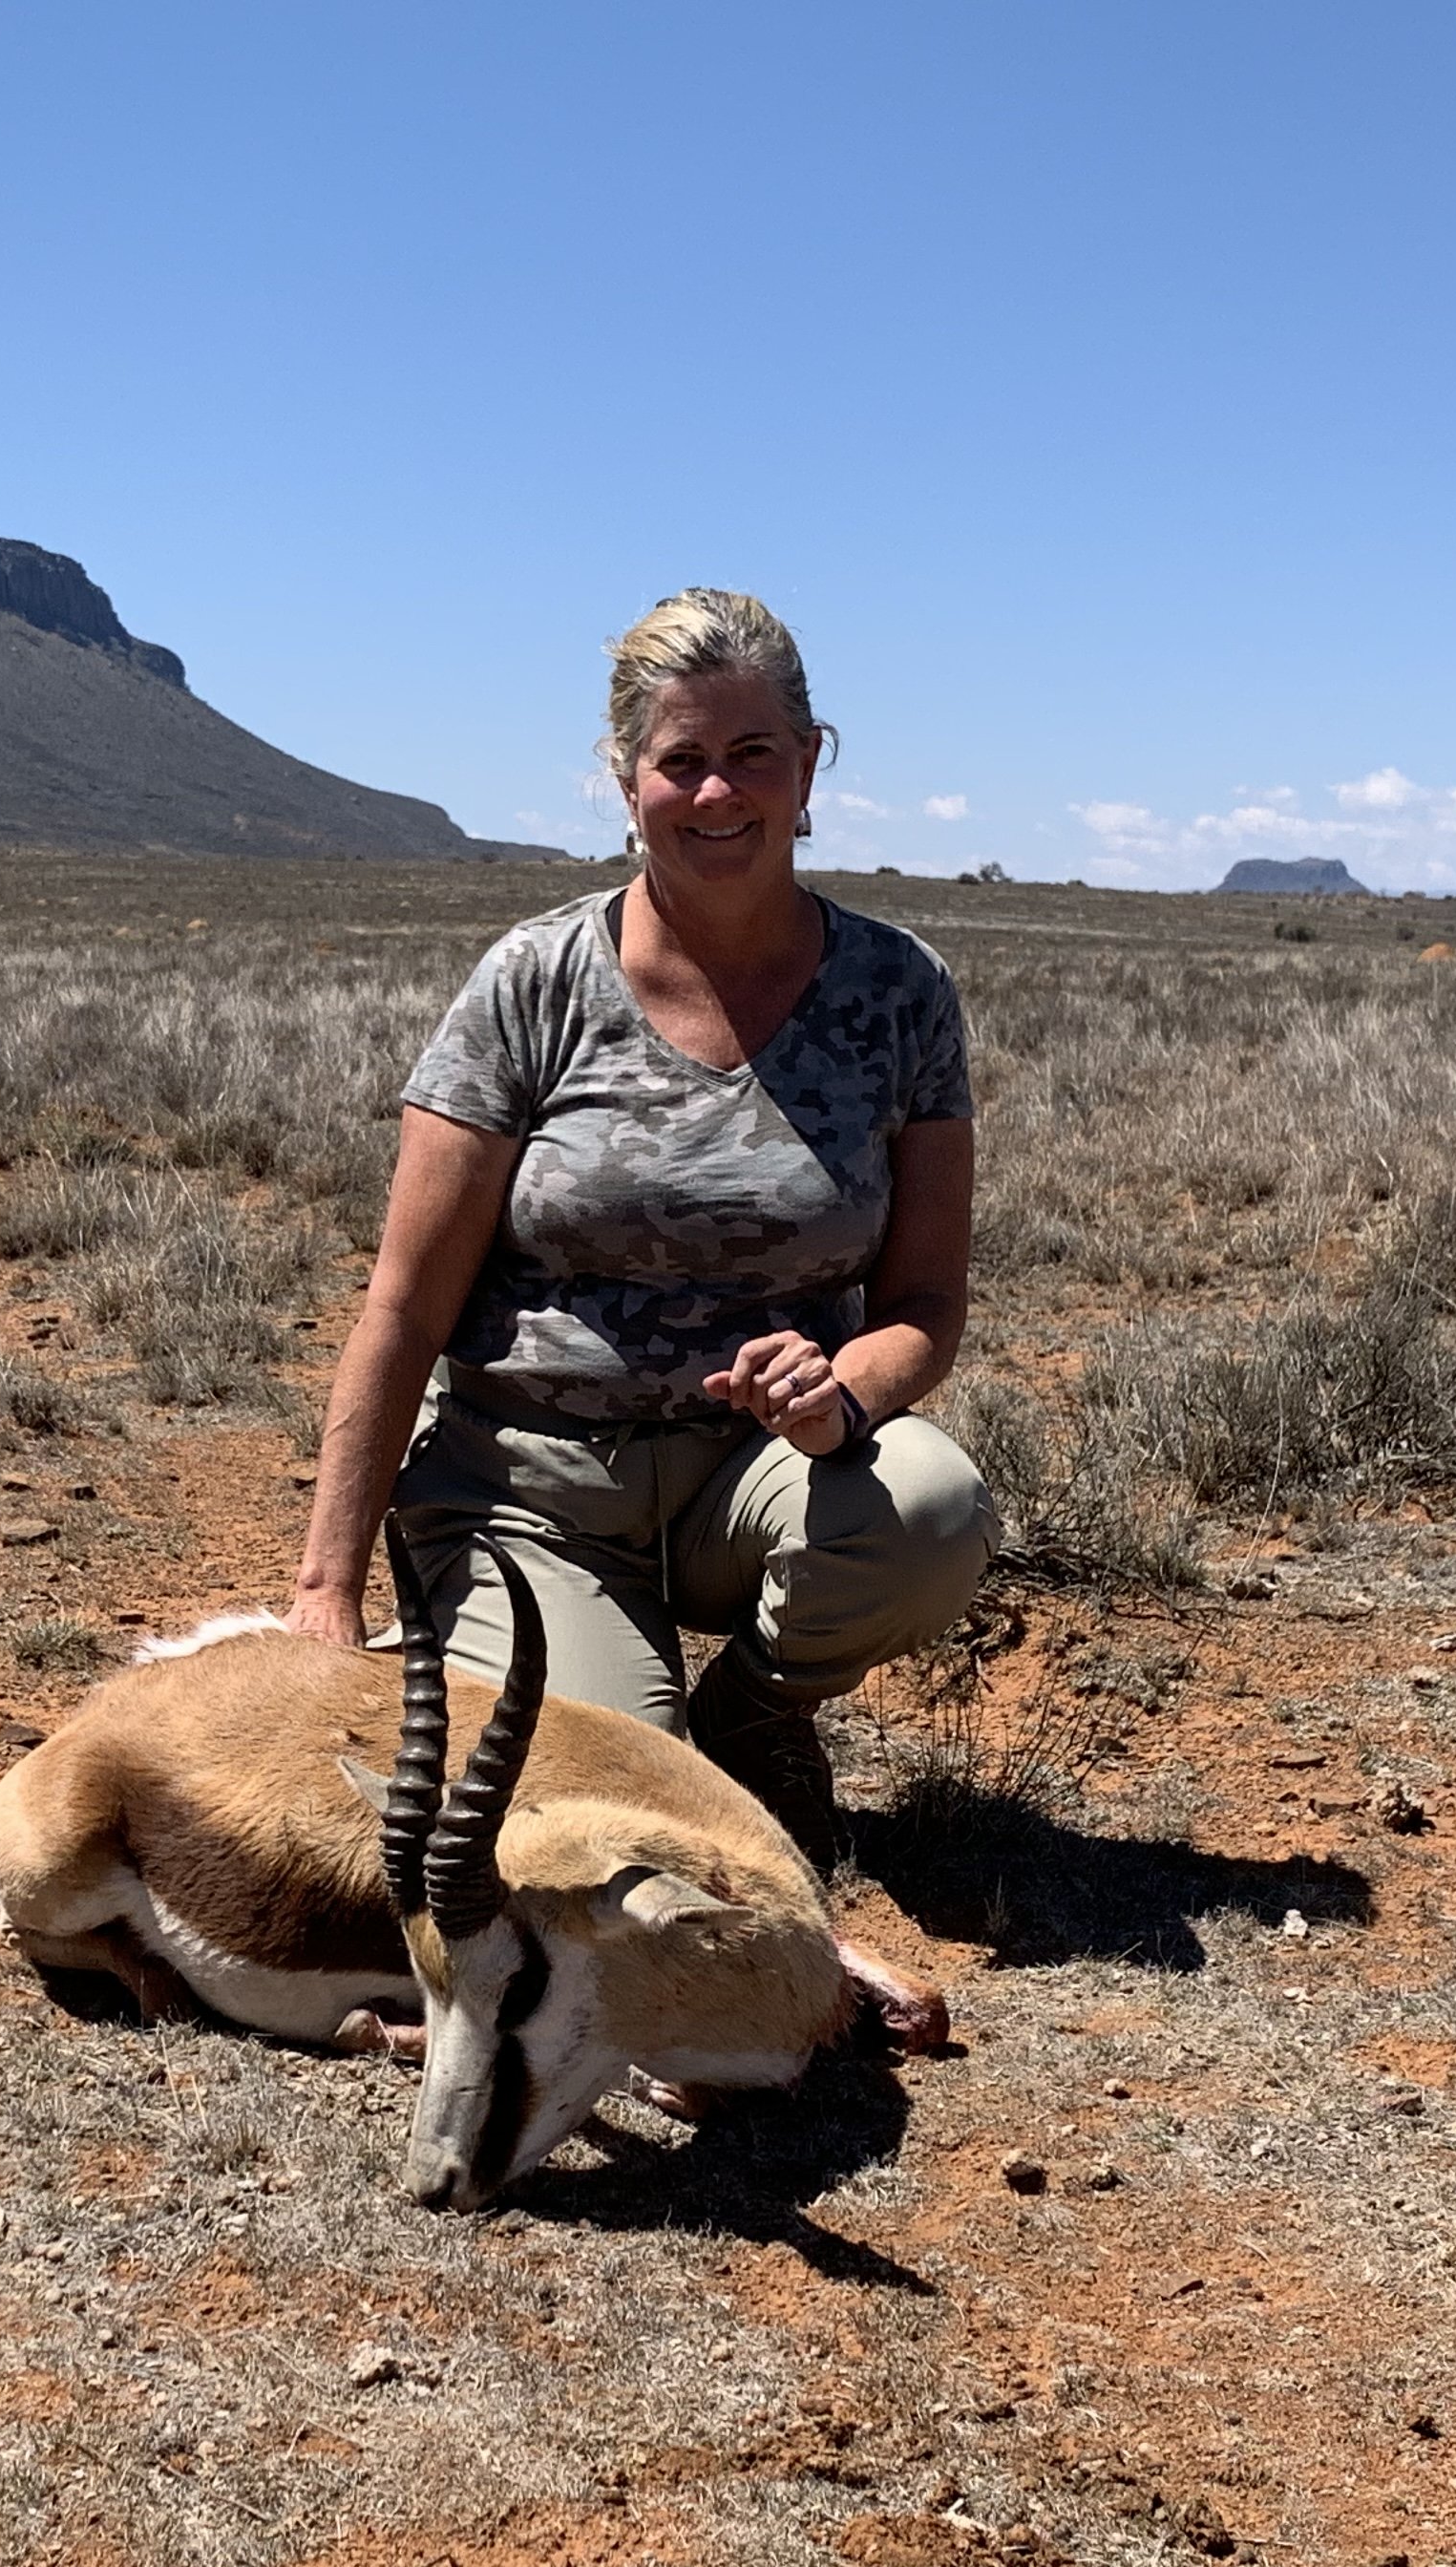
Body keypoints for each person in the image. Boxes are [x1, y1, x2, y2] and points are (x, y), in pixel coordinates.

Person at [285, 587, 996, 1928]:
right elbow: (402, 1307)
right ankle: (658, 1722)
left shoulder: (900, 995)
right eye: (682, 761)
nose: (717, 791)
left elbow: (923, 1305)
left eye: (753, 756)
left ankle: (763, 1712)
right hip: (529, 1486)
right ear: (627, 781)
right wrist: (324, 1591)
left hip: (755, 1479)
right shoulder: (534, 983)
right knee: (624, 1830)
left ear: (808, 768)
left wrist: (842, 1392)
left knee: (933, 1509)